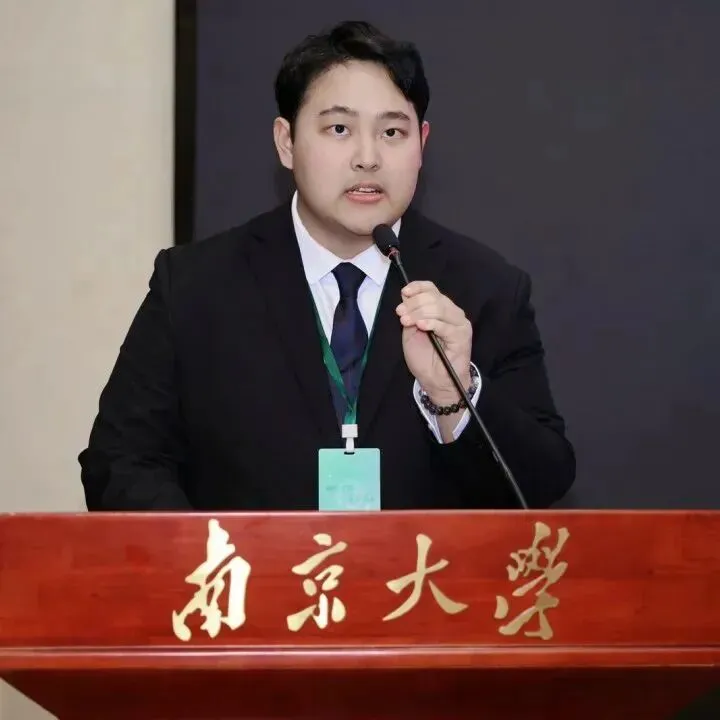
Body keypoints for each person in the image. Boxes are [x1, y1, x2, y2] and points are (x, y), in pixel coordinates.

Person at [79, 20, 575, 511]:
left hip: (422, 566)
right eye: (339, 129)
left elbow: (539, 484)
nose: (368, 158)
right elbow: (120, 463)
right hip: (244, 565)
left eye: (393, 132)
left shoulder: (484, 288)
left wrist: (454, 394)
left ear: (422, 143)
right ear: (286, 142)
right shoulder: (195, 285)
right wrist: (211, 553)